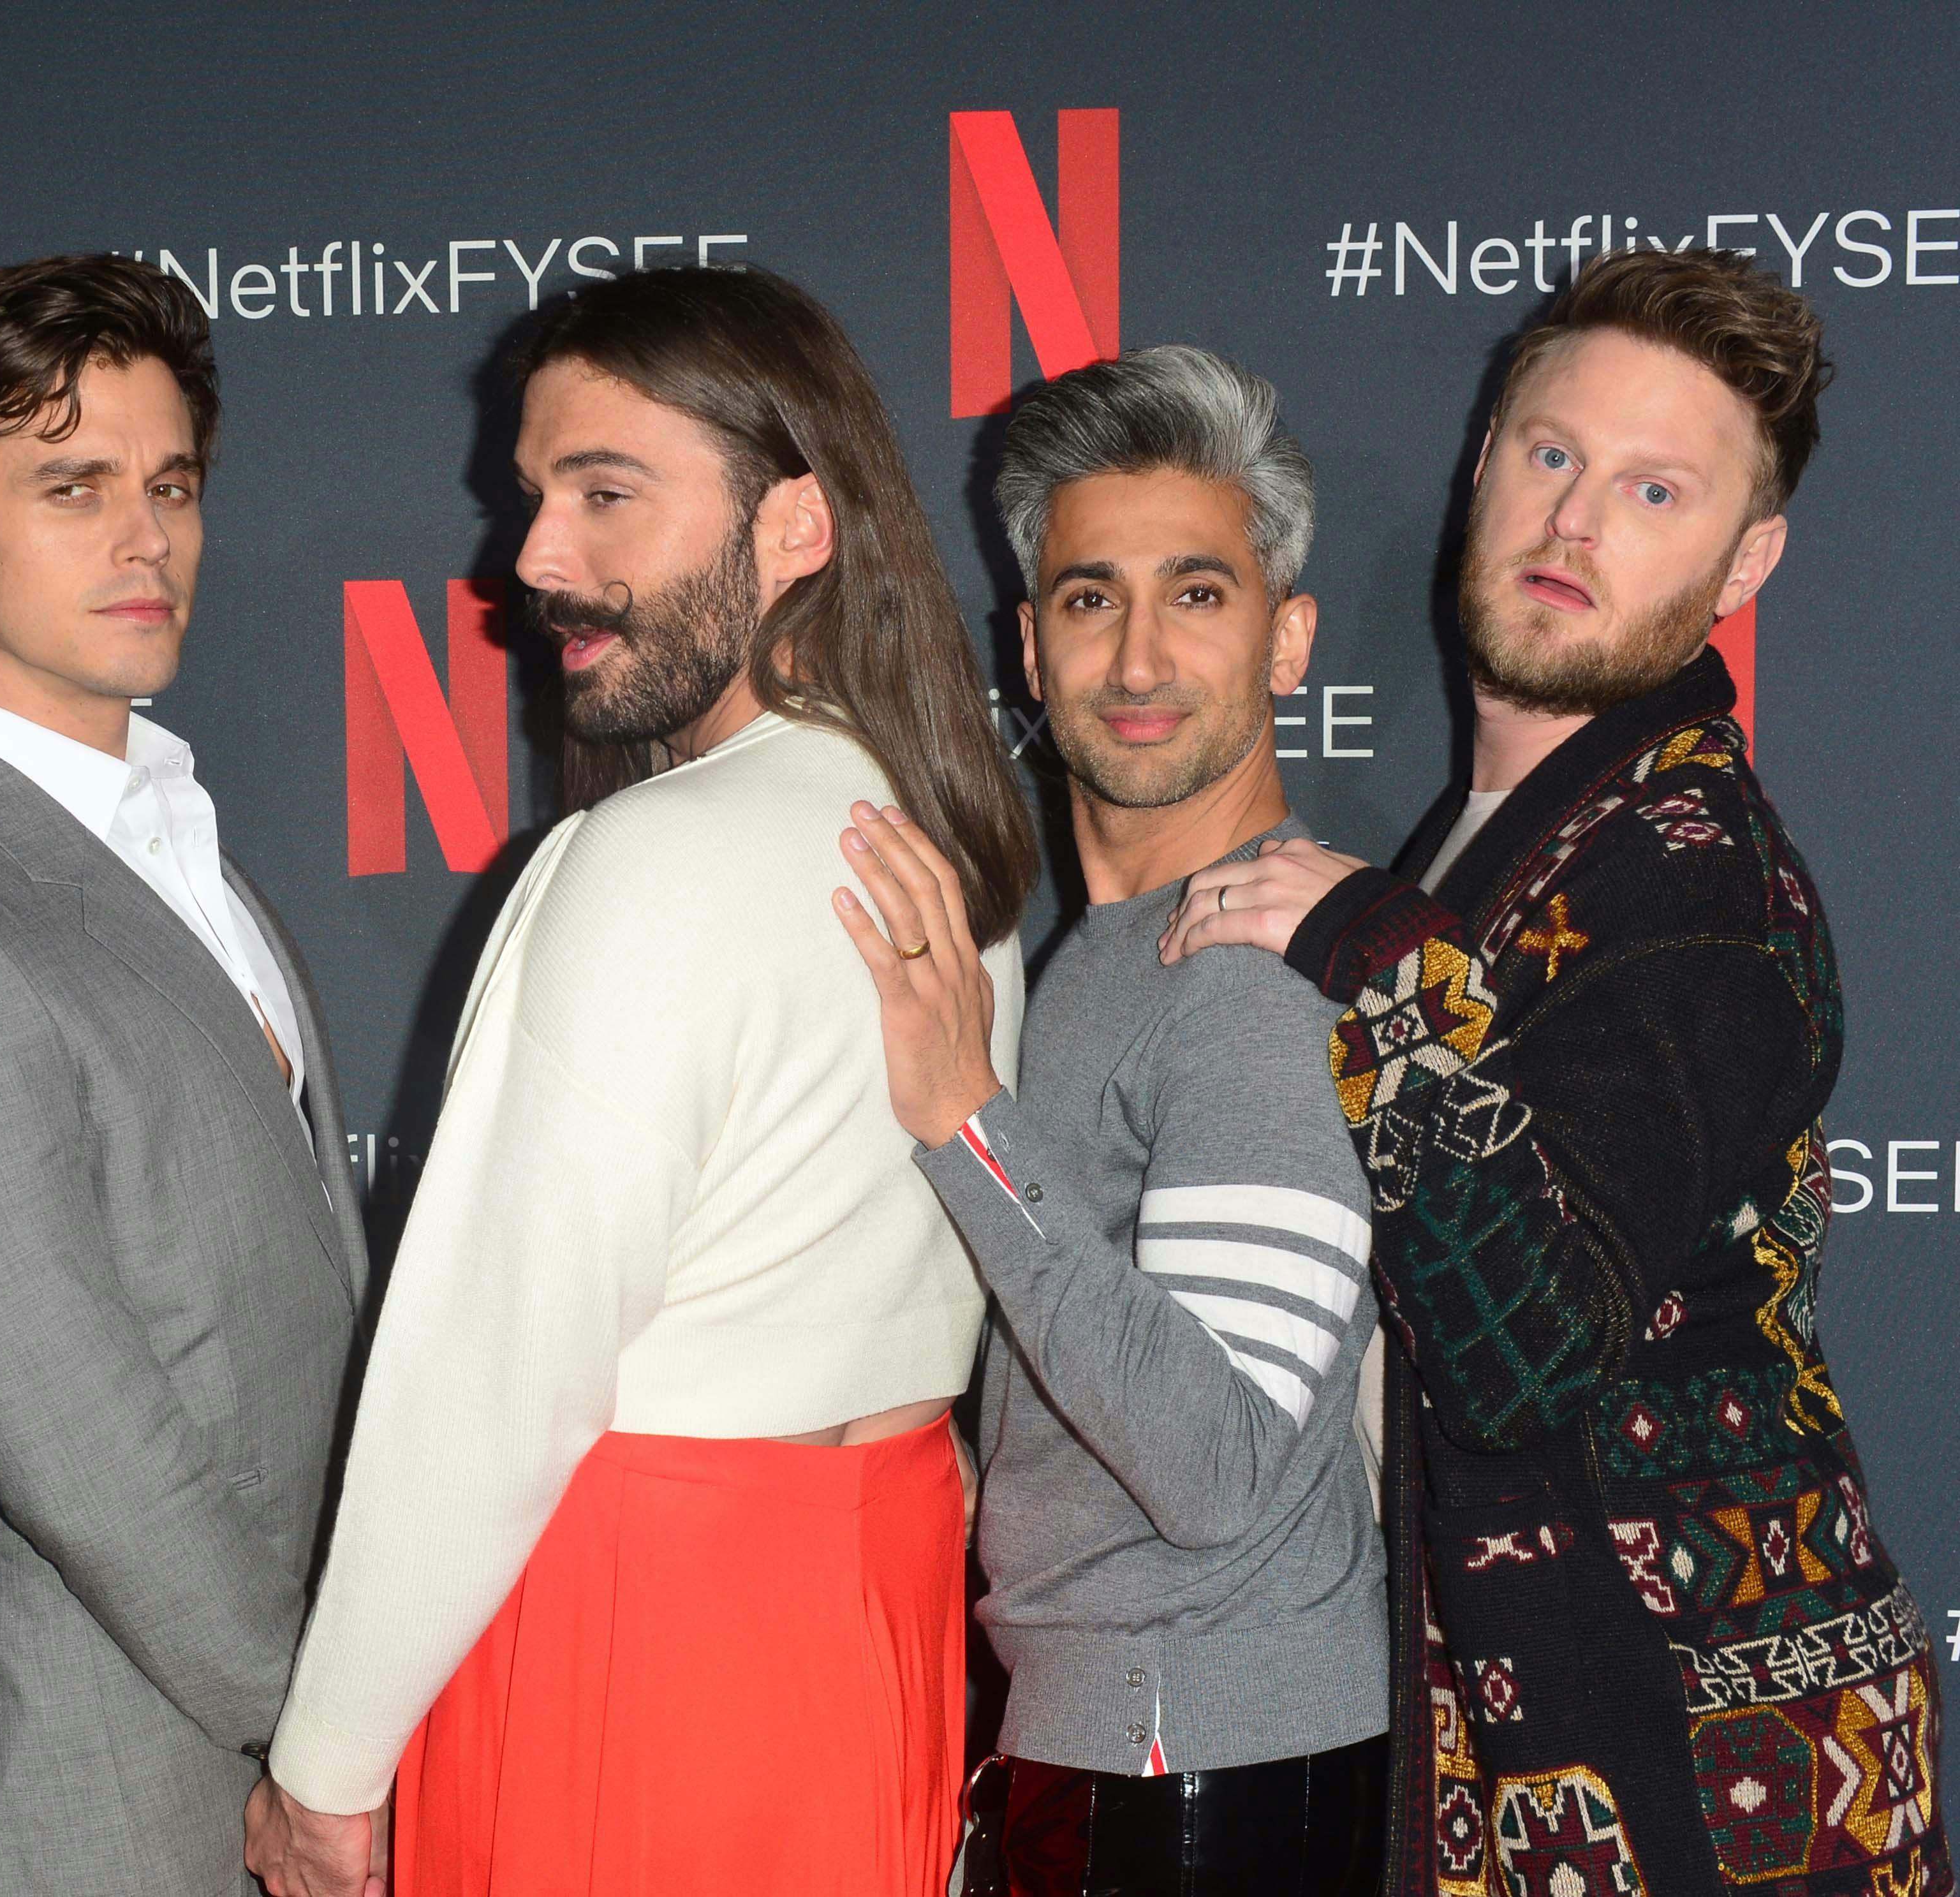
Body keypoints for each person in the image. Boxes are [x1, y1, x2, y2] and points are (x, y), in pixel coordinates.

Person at [242, 265, 1039, 1897]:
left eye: (608, 492)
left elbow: (489, 1375)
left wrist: (326, 1764)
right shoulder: (938, 847)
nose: (533, 559)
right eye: (536, 497)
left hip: (642, 1623)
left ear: (795, 524)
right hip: (880, 1606)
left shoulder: (641, 858)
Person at [1161, 250, 1947, 1893]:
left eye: (1654, 489)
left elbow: (1524, 1348)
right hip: (1561, 1744)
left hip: (1709, 1789)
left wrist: (1377, 958)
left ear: (1745, 559)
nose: (1576, 520)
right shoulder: (1498, 847)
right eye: (1551, 455)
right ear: (1481, 464)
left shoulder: (1685, 877)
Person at [0, 255, 368, 1897]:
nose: (147, 538)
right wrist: (317, 1739)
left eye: (169, 483)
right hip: (104, 1778)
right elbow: (84, 1447)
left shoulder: (173, 838)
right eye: (73, 486)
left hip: (286, 1729)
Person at [836, 344, 1390, 1894]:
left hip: (1205, 1758)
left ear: (1287, 643)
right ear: (1027, 643)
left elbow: (1212, 1462)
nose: (1138, 656)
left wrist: (962, 1115)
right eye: (1091, 599)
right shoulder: (1087, 956)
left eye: (1195, 595)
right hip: (1102, 1733)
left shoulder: (1251, 980)